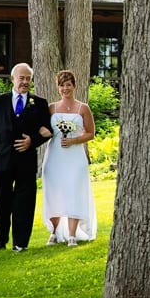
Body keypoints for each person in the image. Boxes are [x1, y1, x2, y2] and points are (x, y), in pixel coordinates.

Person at [0, 63, 53, 252]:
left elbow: (48, 131)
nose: (25, 82)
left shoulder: (40, 103)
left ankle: (21, 243)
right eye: (22, 78)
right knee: (2, 202)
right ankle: (1, 239)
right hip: (3, 161)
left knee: (24, 203)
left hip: (26, 162)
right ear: (13, 79)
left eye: (28, 78)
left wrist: (32, 141)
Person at [41, 70, 97, 247]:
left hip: (74, 156)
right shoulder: (51, 108)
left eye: (68, 84)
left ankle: (72, 234)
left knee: (74, 191)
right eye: (62, 85)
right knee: (54, 192)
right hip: (55, 156)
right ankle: (55, 231)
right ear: (58, 88)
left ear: (74, 86)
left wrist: (74, 140)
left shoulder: (83, 108)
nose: (65, 88)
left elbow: (90, 133)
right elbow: (42, 128)